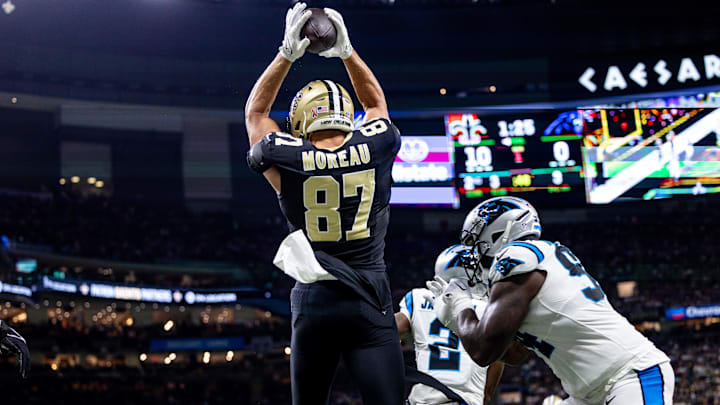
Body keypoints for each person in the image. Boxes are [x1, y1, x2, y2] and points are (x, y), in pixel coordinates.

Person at [245, 3, 404, 404]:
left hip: (314, 303)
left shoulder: (284, 155)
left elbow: (256, 114)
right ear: (348, 116)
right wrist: (347, 52)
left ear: (300, 119)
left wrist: (286, 53)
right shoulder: (377, 144)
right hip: (370, 297)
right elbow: (376, 106)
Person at [427, 196, 674, 405]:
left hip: (630, 375)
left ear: (500, 232)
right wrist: (460, 318)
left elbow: (483, 351)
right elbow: (514, 354)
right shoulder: (533, 261)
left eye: (477, 242)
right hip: (588, 393)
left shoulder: (516, 256)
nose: (476, 254)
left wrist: (459, 308)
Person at [396, 245, 505, 405]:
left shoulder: (419, 298)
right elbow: (489, 384)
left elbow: (388, 331)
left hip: (422, 401)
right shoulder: (490, 310)